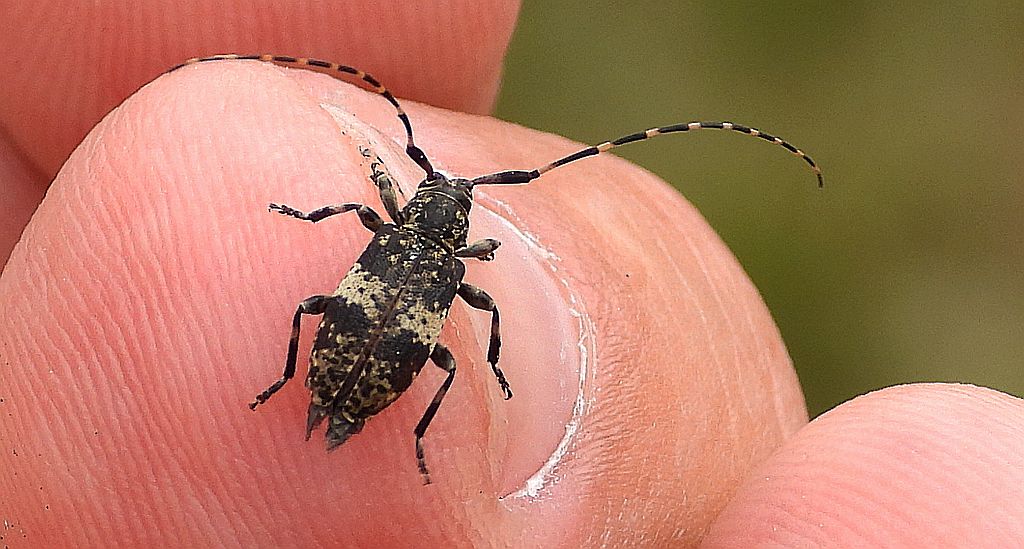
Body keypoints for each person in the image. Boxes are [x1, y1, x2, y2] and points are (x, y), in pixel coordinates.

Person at [1, 3, 1021, 546]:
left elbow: (357, 220)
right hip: (378, 361)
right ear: (454, 227)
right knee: (445, 358)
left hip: (353, 347)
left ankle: (299, 385)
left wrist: (316, 226)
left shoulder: (396, 226)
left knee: (338, 310)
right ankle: (325, 396)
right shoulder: (460, 265)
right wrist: (492, 361)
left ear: (422, 212)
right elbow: (449, 300)